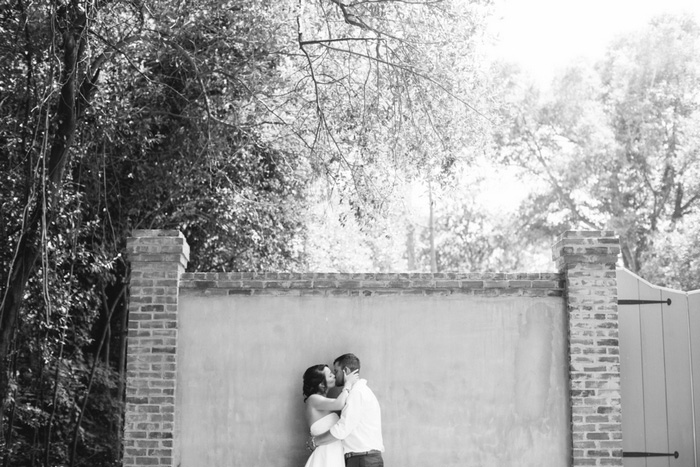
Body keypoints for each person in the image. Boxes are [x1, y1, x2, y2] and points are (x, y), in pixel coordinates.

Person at [308, 354, 385, 467]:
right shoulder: (360, 391)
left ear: (346, 370)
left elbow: (343, 428)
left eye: (336, 371)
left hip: (362, 460)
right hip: (363, 459)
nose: (334, 375)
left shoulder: (356, 393)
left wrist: (315, 441)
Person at [302, 363, 360, 467]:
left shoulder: (324, 402)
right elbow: (339, 404)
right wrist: (348, 384)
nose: (334, 375)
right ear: (321, 384)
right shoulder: (313, 399)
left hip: (334, 453)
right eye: (330, 375)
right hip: (326, 455)